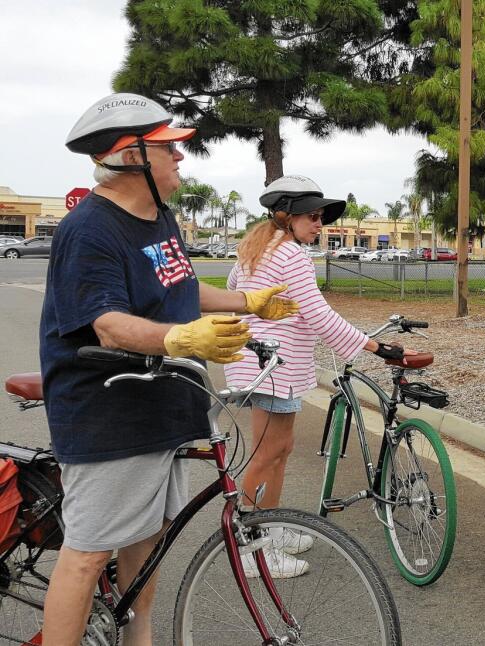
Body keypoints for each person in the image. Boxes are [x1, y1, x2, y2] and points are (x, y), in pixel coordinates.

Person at [41, 93, 298, 646]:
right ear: (132, 157)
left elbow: (179, 287)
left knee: (148, 549)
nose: (181, 158)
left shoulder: (160, 217)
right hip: (110, 413)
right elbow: (106, 322)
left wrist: (247, 303)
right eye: (168, 149)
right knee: (86, 557)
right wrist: (178, 337)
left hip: (165, 404)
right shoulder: (89, 229)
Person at [225, 175, 417, 576]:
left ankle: (270, 529)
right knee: (269, 453)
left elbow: (233, 293)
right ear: (285, 215)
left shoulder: (257, 248)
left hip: (260, 361)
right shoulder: (291, 254)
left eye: (321, 218)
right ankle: (251, 547)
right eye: (312, 216)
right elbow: (318, 314)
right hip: (273, 365)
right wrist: (377, 347)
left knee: (279, 448)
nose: (319, 225)